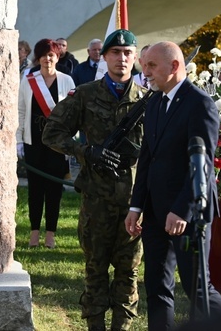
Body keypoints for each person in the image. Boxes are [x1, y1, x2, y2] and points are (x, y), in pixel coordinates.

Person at [43, 29, 147, 331]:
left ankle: (121, 328)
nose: (122, 59)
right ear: (104, 57)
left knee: (128, 273)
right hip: (97, 200)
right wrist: (86, 151)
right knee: (95, 270)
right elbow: (52, 132)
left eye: (128, 53)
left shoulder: (146, 100)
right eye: (116, 53)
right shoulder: (86, 94)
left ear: (135, 57)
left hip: (132, 203)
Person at [125, 41, 221, 329]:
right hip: (156, 212)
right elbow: (148, 157)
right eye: (144, 65)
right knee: (156, 286)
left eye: (151, 66)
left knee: (198, 289)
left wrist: (182, 210)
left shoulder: (200, 104)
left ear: (174, 66)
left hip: (189, 212)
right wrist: (136, 205)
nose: (145, 72)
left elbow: (203, 165)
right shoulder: (156, 101)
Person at [17, 39, 75, 249]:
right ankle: (34, 232)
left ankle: (50, 232)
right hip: (34, 141)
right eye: (43, 55)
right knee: (35, 188)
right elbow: (21, 110)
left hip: (57, 144)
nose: (47, 59)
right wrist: (19, 141)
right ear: (38, 58)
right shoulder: (28, 80)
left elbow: (72, 112)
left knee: (54, 189)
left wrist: (70, 139)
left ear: (57, 57)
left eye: (51, 55)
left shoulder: (67, 80)